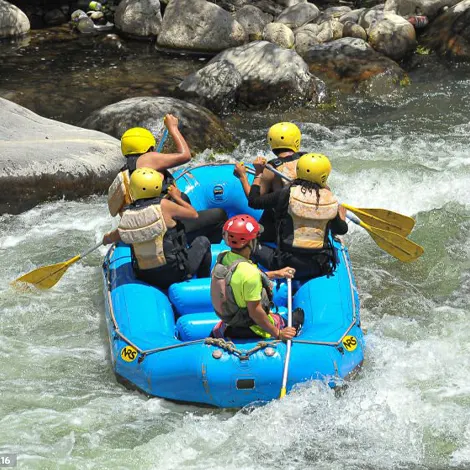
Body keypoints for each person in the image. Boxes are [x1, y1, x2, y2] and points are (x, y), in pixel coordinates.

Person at [108, 115, 227, 243]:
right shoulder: (149, 158)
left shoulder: (124, 172)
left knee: (183, 197)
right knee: (220, 214)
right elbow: (185, 155)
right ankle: (214, 249)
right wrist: (173, 128)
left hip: (144, 225)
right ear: (149, 147)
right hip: (163, 228)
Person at [103, 168, 212, 290]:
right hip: (175, 273)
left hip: (145, 276)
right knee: (203, 241)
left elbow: (113, 237)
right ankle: (204, 284)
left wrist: (105, 239)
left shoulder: (128, 214)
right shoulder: (164, 205)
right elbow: (194, 214)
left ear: (132, 190)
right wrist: (177, 197)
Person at [247, 153, 348, 280]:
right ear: (324, 176)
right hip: (320, 265)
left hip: (285, 263)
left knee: (247, 242)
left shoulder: (286, 194)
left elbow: (254, 201)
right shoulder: (330, 199)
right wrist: (342, 216)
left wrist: (258, 174)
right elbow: (341, 230)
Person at [210, 214, 303, 340]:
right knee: (298, 316)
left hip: (230, 320)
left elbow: (240, 278)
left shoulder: (224, 257)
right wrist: (278, 333)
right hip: (250, 325)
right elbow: (255, 313)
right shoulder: (250, 274)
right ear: (250, 242)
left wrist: (277, 273)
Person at [234, 122, 305, 242]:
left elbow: (254, 200)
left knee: (253, 234)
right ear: (296, 141)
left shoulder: (271, 169)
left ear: (272, 143)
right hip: (306, 217)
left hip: (284, 226)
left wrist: (243, 176)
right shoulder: (308, 160)